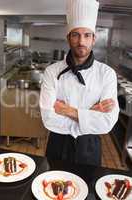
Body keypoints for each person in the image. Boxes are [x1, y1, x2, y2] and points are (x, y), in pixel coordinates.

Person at [39, 0, 119, 166]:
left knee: (87, 188)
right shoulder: (52, 72)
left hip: (89, 148)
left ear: (93, 39)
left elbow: (107, 122)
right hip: (57, 145)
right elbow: (48, 118)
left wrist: (68, 110)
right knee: (53, 188)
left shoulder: (107, 74)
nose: (81, 41)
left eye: (87, 35)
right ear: (68, 38)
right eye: (76, 35)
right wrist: (90, 114)